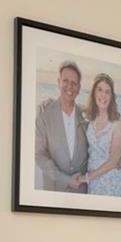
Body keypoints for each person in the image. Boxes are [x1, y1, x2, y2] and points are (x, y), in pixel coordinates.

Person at [34, 60, 88, 192]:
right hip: (53, 191)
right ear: (58, 82)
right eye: (65, 81)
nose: (69, 86)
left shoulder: (86, 116)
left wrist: (116, 156)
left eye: (74, 83)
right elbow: (39, 154)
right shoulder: (44, 114)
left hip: (81, 194)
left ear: (79, 88)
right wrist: (66, 179)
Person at [81, 73, 121, 196]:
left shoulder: (117, 124)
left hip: (109, 181)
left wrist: (86, 178)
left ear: (111, 97)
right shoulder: (89, 115)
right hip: (92, 181)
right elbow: (68, 105)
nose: (103, 95)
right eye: (100, 90)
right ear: (94, 93)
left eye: (107, 92)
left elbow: (114, 161)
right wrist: (48, 102)